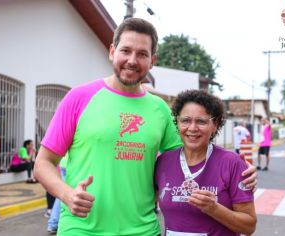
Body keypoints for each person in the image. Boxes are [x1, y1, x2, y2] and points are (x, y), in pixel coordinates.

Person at [34, 18, 257, 235]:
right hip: (81, 229)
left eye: (142, 54)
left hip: (142, 230)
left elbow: (189, 158)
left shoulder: (159, 109)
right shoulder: (79, 98)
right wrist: (67, 194)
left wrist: (240, 175)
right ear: (112, 51)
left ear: (153, 60)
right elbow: (43, 163)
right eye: (126, 51)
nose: (132, 60)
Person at [155, 89, 257, 235]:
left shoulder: (231, 163)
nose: (192, 128)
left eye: (201, 121)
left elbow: (249, 227)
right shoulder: (163, 162)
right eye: (185, 120)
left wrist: (214, 209)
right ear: (177, 123)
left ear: (215, 124)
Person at [47, 153, 68, 234]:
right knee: (62, 194)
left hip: (64, 164)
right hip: (69, 164)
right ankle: (53, 223)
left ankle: (53, 223)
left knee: (62, 193)